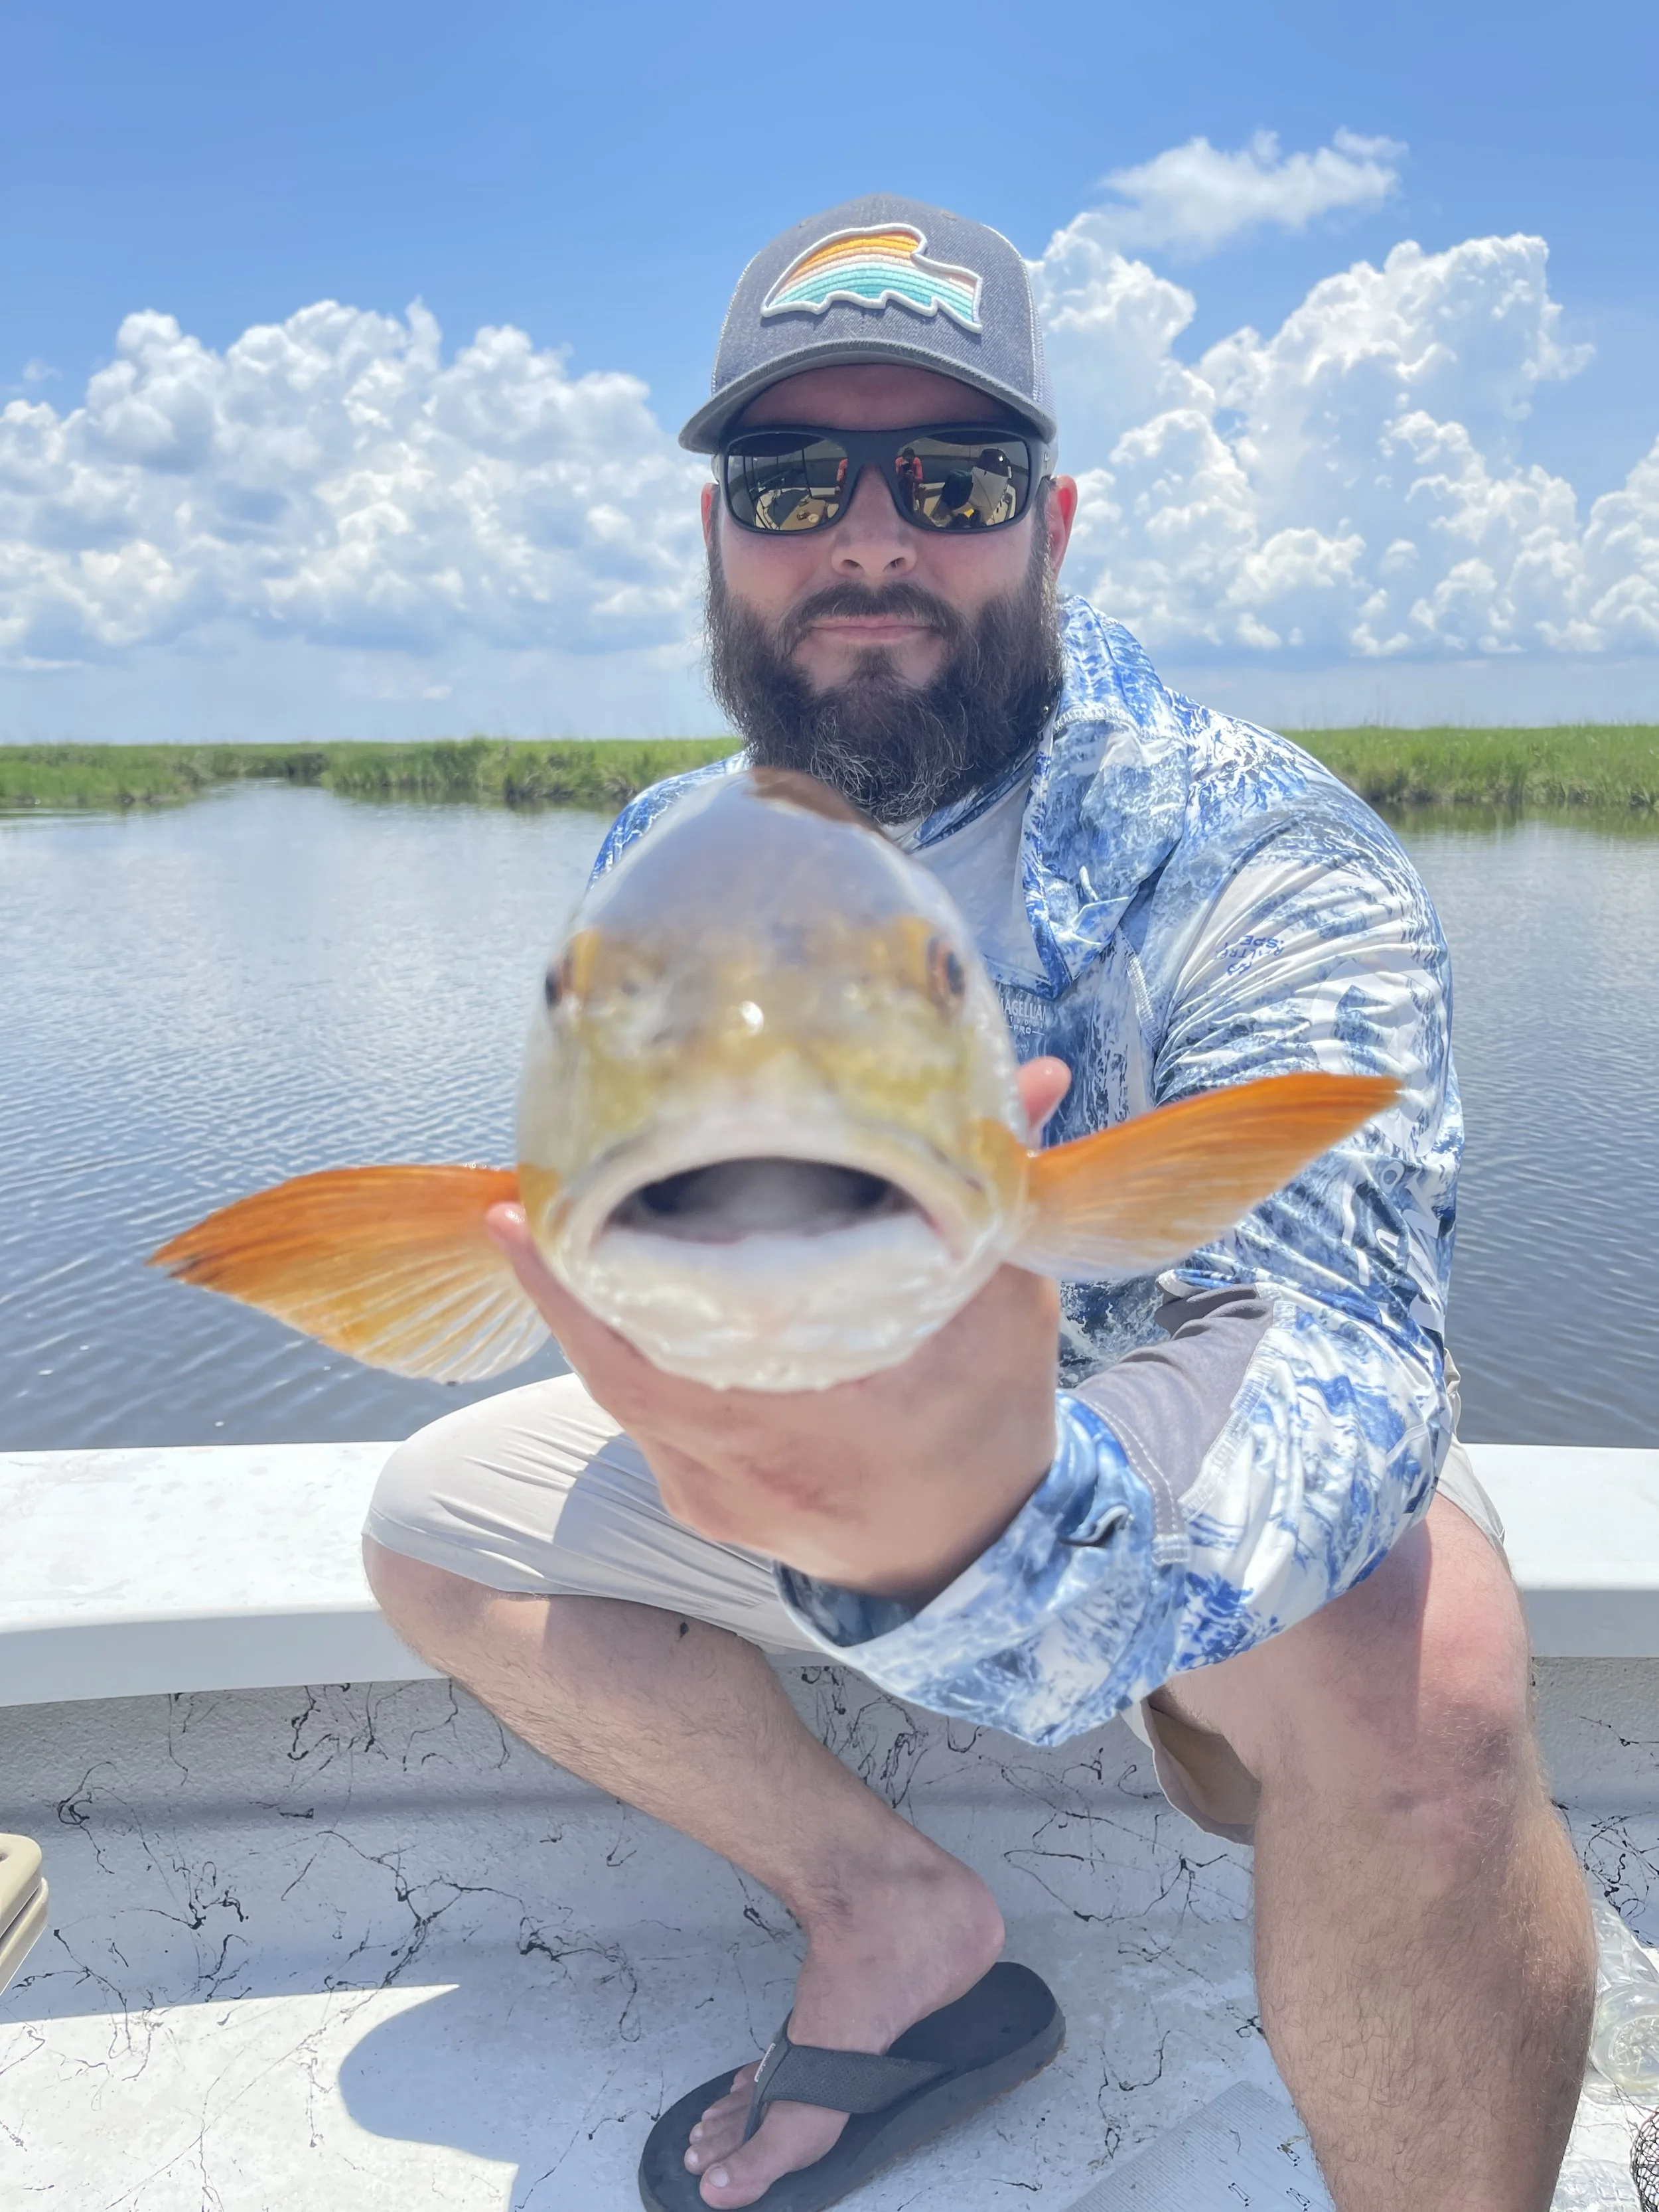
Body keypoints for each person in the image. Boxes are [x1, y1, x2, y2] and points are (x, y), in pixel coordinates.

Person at [362, 193, 1594, 2212]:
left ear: (1051, 517)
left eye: (947, 473)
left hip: (1162, 1491)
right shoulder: (668, 843)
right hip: (781, 1432)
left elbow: (1342, 1349)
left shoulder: (1262, 843)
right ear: (717, 531)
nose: (868, 536)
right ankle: (888, 1919)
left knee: (1431, 1669)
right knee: (431, 1531)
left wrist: (984, 1516)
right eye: (787, 476)